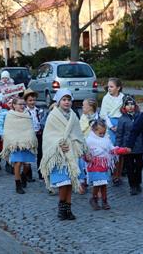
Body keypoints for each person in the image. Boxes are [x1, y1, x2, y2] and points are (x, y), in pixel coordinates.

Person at [40, 88, 87, 221]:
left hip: (72, 153)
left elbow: (78, 134)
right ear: (58, 101)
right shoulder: (53, 116)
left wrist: (84, 150)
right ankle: (61, 208)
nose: (67, 102)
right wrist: (58, 143)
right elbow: (48, 135)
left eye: (69, 100)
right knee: (62, 182)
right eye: (64, 100)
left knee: (71, 182)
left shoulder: (73, 115)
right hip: (59, 155)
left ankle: (68, 208)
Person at [85, 119, 128, 210]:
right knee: (97, 183)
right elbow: (84, 153)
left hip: (104, 166)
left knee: (104, 183)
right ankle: (94, 199)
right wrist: (87, 157)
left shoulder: (106, 140)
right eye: (100, 133)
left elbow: (112, 149)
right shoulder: (89, 141)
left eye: (103, 133)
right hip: (94, 165)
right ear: (94, 131)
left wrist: (123, 150)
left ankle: (104, 201)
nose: (102, 135)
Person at [0, 97, 38, 194]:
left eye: (23, 104)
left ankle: (23, 176)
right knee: (18, 163)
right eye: (20, 104)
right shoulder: (10, 115)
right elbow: (9, 130)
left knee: (27, 165)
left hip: (26, 143)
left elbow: (29, 129)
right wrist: (12, 141)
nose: (22, 106)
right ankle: (18, 184)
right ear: (14, 105)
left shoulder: (27, 114)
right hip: (15, 143)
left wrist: (31, 139)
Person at [116, 95, 143, 195]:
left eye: (132, 104)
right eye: (128, 105)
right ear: (124, 107)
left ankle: (138, 182)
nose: (130, 107)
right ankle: (133, 185)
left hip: (139, 145)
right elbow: (119, 134)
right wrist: (117, 146)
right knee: (130, 166)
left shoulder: (140, 116)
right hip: (127, 146)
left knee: (140, 164)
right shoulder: (122, 119)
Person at [100, 78, 124, 186]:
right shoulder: (106, 98)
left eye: (112, 86)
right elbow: (104, 114)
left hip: (122, 123)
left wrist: (121, 125)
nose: (109, 88)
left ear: (118, 88)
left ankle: (119, 174)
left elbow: (126, 111)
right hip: (111, 125)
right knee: (113, 151)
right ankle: (113, 173)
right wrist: (111, 126)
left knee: (121, 151)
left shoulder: (123, 98)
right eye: (108, 86)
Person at [24, 89, 44, 181]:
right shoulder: (24, 112)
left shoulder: (39, 110)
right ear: (26, 101)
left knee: (40, 153)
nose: (32, 102)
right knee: (29, 154)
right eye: (30, 100)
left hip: (39, 134)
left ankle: (41, 173)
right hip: (29, 135)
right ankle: (28, 175)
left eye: (34, 100)